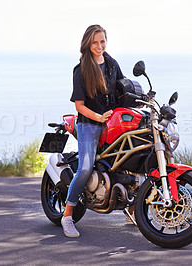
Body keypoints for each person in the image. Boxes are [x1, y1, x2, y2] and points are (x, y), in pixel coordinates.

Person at [61, 24, 124, 238]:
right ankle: (68, 216)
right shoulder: (81, 69)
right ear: (88, 43)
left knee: (127, 160)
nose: (99, 46)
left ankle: (133, 209)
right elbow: (79, 105)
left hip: (113, 123)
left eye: (103, 41)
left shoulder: (112, 64)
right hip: (89, 123)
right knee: (86, 167)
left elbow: (123, 90)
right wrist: (98, 117)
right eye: (95, 42)